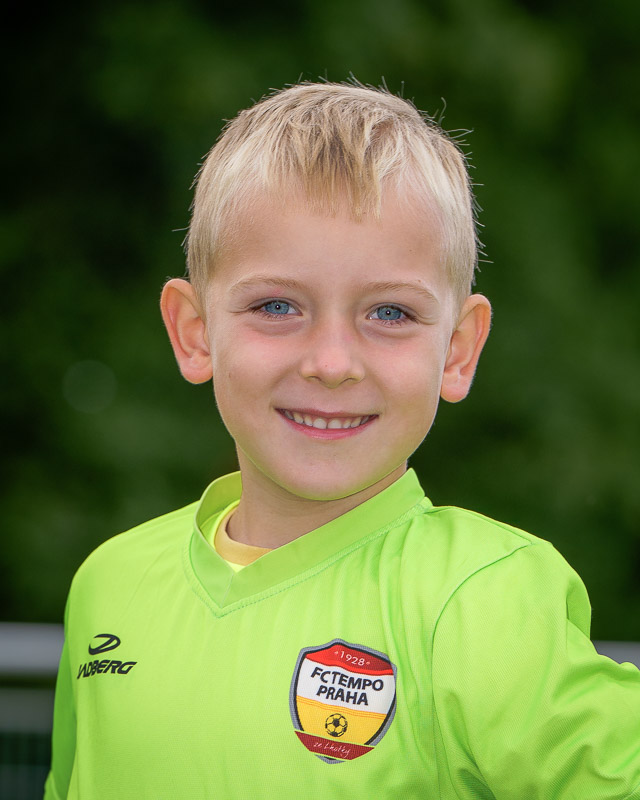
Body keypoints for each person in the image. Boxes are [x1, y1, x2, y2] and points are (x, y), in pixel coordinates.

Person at [44, 82, 640, 800]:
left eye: (389, 313)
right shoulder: (110, 585)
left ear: (457, 350)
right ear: (195, 333)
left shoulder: (484, 599)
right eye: (277, 306)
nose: (331, 362)